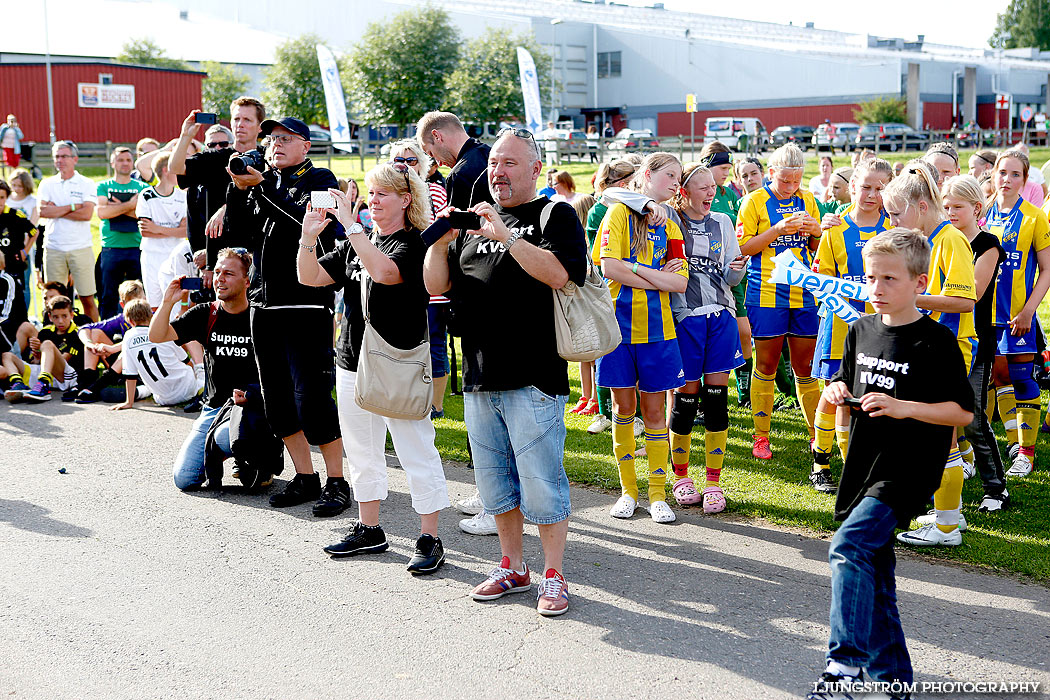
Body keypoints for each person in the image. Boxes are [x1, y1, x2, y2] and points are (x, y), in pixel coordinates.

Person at [423, 127, 588, 616]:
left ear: (536, 169)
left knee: (542, 482)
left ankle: (553, 574)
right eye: (494, 163)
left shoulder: (551, 214)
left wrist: (508, 235)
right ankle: (513, 566)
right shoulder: (472, 221)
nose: (497, 172)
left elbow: (561, 275)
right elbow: (437, 286)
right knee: (495, 483)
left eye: (510, 163)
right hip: (479, 374)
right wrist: (441, 239)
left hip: (534, 374)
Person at [807, 229, 973, 700]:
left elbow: (961, 412)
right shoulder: (860, 329)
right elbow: (843, 381)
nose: (877, 288)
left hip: (908, 470)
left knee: (849, 546)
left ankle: (844, 663)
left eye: (889, 279)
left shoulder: (935, 340)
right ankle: (894, 681)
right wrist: (835, 390)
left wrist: (905, 407)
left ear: (919, 282)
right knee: (876, 580)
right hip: (863, 463)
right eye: (871, 277)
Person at [299, 165, 450, 574]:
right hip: (351, 360)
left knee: (415, 448)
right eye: (371, 192)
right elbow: (308, 275)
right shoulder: (358, 243)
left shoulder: (413, 242)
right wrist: (308, 237)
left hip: (398, 361)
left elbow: (385, 273)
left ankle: (430, 536)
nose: (373, 200)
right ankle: (370, 528)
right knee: (363, 452)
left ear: (406, 199)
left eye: (383, 193)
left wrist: (350, 224)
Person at [222, 115, 350, 518]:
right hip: (264, 304)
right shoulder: (264, 182)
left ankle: (336, 481)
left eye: (285, 138)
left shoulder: (322, 179)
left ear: (306, 145)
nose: (275, 144)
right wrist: (237, 186)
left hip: (306, 303)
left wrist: (265, 187)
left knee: (311, 398)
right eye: (272, 138)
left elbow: (305, 225)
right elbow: (237, 233)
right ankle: (305, 476)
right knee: (276, 399)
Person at [882, 160, 976, 547]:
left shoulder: (950, 239)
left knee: (942, 439)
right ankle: (949, 515)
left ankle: (946, 529)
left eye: (896, 213)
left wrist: (911, 296)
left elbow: (963, 300)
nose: (892, 223)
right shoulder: (926, 239)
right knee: (938, 438)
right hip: (931, 347)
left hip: (949, 349)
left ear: (921, 206)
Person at [596, 152, 688, 524]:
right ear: (646, 175)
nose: (675, 184)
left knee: (653, 412)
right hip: (617, 330)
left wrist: (632, 270)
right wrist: (651, 273)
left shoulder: (673, 226)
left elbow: (680, 283)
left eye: (679, 177)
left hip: (659, 331)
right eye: (669, 175)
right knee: (622, 410)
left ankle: (657, 494)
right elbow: (608, 268)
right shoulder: (618, 214)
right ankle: (628, 492)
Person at [416, 110, 495, 534]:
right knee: (482, 399)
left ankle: (493, 499)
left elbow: (456, 238)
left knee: (484, 402)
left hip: (477, 295)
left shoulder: (464, 173)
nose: (435, 159)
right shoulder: (484, 159)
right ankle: (487, 490)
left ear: (439, 136)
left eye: (431, 149)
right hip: (488, 294)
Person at [664, 165, 747, 513]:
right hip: (685, 319)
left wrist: (738, 269)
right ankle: (681, 476)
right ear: (684, 192)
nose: (710, 193)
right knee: (686, 398)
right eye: (702, 187)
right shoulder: (669, 219)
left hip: (721, 317)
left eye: (712, 186)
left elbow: (729, 275)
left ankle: (713, 482)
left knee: (716, 399)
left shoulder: (723, 223)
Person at [149, 248, 267, 489]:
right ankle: (233, 452)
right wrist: (167, 301)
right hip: (213, 410)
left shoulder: (259, 316)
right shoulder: (207, 313)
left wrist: (255, 395)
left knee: (230, 437)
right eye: (217, 272)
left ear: (247, 281)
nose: (219, 279)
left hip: (253, 408)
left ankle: (257, 456)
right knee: (184, 479)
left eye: (229, 274)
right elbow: (157, 335)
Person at [810, 158, 892, 492]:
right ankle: (821, 462)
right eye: (866, 186)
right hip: (841, 324)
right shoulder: (834, 229)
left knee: (873, 393)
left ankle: (858, 464)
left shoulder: (893, 229)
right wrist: (848, 312)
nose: (871, 194)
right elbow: (820, 282)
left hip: (881, 324)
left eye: (879, 188)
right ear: (853, 185)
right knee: (835, 393)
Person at [737, 143, 823, 460]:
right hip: (766, 293)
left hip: (804, 293)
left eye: (796, 180)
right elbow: (743, 248)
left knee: (806, 367)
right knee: (766, 365)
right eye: (785, 180)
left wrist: (816, 231)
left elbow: (816, 245)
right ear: (771, 173)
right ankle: (761, 437)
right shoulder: (754, 201)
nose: (791, 187)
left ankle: (818, 436)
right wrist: (776, 229)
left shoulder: (808, 199)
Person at [940, 175, 1008, 512]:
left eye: (957, 207)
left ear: (976, 208)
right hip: (941, 334)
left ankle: (996, 488)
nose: (950, 212)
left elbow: (974, 293)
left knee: (974, 416)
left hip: (976, 338)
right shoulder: (939, 239)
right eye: (946, 206)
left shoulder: (988, 244)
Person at [984, 150, 1050, 479]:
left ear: (1025, 180)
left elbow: (1048, 271)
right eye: (1002, 173)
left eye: (1015, 174)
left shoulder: (1035, 217)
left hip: (1016, 318)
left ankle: (1025, 454)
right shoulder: (979, 211)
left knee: (1022, 379)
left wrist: (1028, 311)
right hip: (980, 315)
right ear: (993, 175)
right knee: (985, 380)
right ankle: (971, 454)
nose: (1007, 180)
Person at [171, 99, 265, 283]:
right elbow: (176, 167)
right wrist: (185, 136)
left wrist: (226, 208)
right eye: (236, 119)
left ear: (259, 127)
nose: (240, 125)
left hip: (258, 252)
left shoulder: (268, 158)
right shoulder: (215, 159)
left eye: (247, 120)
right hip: (222, 258)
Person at [582, 159, 638, 434]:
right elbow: (602, 257)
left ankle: (633, 412)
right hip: (608, 286)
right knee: (608, 348)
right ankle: (606, 412)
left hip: (635, 286)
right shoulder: (600, 211)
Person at [37, 141, 99, 321]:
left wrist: (57, 210)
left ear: (75, 159)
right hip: (54, 248)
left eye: (64, 156)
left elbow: (87, 214)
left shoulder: (85, 183)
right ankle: (53, 338)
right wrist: (73, 206)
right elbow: (43, 212)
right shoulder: (47, 184)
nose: (59, 160)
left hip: (81, 247)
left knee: (87, 298)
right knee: (53, 300)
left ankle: (95, 337)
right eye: (56, 156)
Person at [110, 298, 202, 410]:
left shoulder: (128, 338)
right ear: (151, 315)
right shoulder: (163, 332)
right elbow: (186, 362)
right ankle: (202, 380)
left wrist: (129, 402)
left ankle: (142, 391)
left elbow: (130, 375)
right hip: (188, 390)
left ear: (130, 321)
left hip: (163, 399)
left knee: (155, 379)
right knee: (195, 362)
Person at [73, 279, 147, 403]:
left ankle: (98, 386)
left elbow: (142, 338)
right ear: (123, 305)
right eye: (132, 304)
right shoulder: (122, 318)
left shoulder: (152, 315)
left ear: (145, 299)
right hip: (124, 366)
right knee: (95, 333)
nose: (137, 308)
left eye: (139, 302)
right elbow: (84, 328)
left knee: (128, 349)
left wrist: (114, 348)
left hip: (145, 365)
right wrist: (89, 344)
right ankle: (87, 381)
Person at [96, 147, 148, 319]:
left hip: (137, 247)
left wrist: (116, 207)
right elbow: (102, 213)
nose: (125, 163)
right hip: (111, 248)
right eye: (120, 160)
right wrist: (131, 205)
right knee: (108, 295)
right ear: (112, 163)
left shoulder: (143, 187)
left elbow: (144, 216)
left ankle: (138, 326)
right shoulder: (104, 186)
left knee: (138, 294)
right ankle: (107, 331)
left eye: (128, 160)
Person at [135, 152, 187, 310]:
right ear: (166, 170)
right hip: (152, 255)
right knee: (155, 303)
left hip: (174, 255)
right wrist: (174, 229)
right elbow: (145, 231)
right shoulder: (147, 195)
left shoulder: (183, 196)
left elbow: (185, 232)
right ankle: (157, 334)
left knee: (177, 302)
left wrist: (157, 228)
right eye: (176, 169)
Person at [9, 295, 84, 402]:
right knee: (7, 355)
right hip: (44, 374)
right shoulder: (45, 332)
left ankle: (43, 384)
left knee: (47, 344)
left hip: (65, 377)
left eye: (64, 316)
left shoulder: (78, 333)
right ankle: (17, 383)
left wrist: (42, 348)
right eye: (56, 317)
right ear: (50, 317)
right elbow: (36, 362)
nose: (60, 321)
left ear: (71, 315)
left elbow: (65, 359)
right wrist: (37, 353)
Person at [0, 180, 36, 340]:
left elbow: (34, 232)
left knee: (18, 301)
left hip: (14, 267)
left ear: (6, 198)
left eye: (1, 198)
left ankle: (21, 333)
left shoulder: (15, 215)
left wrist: (25, 251)